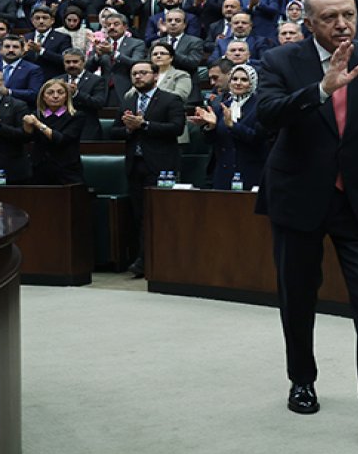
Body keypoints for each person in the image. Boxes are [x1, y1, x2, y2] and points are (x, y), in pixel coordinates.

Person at [253, 0, 358, 437]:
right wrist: (321, 89)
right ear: (309, 23)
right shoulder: (280, 60)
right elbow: (267, 114)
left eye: (349, 14)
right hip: (298, 196)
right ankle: (302, 380)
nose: (342, 24)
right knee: (298, 296)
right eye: (330, 17)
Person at [110, 61, 185, 277]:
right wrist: (128, 128)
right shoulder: (129, 100)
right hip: (135, 164)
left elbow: (176, 128)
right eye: (134, 74)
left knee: (159, 215)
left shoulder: (171, 99)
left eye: (143, 73)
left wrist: (144, 125)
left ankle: (154, 261)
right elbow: (114, 131)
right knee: (139, 214)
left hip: (162, 166)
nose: (138, 77)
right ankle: (143, 259)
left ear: (154, 75)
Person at [192, 63, 268, 190]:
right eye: (234, 79)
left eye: (244, 79)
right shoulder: (221, 106)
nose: (238, 83)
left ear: (252, 82)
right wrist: (210, 127)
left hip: (251, 172)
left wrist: (233, 126)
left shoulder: (260, 106)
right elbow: (210, 141)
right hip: (224, 173)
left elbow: (258, 139)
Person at [22, 78, 85, 185]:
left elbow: (61, 140)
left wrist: (38, 124)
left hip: (67, 171)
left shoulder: (76, 116)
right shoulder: (36, 115)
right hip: (39, 169)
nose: (55, 96)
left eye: (60, 92)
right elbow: (26, 139)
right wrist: (26, 126)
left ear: (66, 96)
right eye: (50, 92)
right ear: (43, 96)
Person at [146, 40, 194, 142]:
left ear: (171, 58)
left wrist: (150, 94)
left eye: (162, 53)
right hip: (148, 128)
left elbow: (179, 96)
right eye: (155, 54)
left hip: (172, 125)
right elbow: (130, 95)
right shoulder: (145, 76)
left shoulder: (181, 75)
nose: (158, 56)